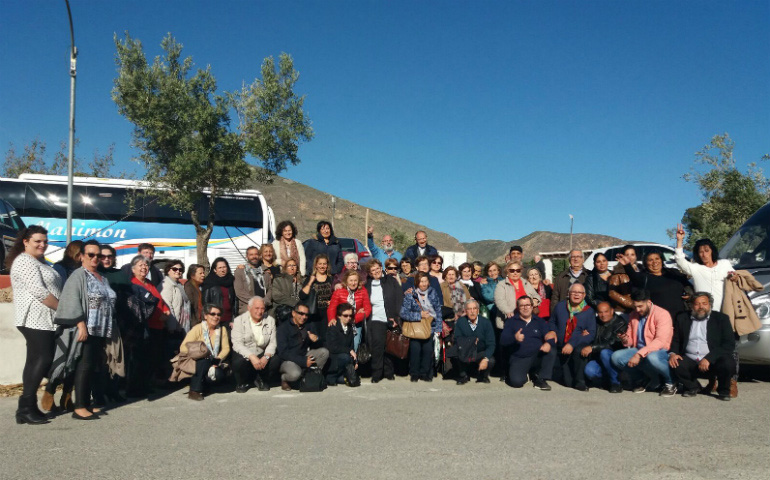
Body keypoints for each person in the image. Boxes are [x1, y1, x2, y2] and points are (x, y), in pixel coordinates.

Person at [53, 240, 117, 420]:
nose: (95, 258)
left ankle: (86, 403)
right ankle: (79, 406)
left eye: (99, 255)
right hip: (86, 329)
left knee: (92, 366)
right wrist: (80, 325)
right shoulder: (78, 275)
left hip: (100, 329)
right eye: (91, 254)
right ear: (81, 256)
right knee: (84, 366)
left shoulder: (101, 277)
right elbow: (71, 299)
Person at [7, 225, 62, 425]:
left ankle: (27, 407)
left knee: (34, 361)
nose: (42, 245)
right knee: (43, 358)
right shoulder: (24, 261)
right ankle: (26, 407)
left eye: (45, 241)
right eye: (37, 241)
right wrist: (63, 310)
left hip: (45, 318)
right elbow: (38, 291)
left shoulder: (39, 261)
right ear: (25, 241)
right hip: (34, 318)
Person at [669, 292, 736, 401]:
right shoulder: (682, 318)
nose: (701, 307)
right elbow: (676, 340)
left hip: (713, 361)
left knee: (728, 363)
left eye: (704, 303)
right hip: (690, 358)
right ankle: (692, 387)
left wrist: (709, 358)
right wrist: (673, 354)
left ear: (710, 305)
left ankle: (724, 391)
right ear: (691, 306)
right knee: (676, 363)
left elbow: (729, 344)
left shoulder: (721, 318)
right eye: (697, 304)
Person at [611, 290, 677, 397]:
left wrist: (638, 355)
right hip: (640, 349)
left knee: (652, 357)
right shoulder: (634, 314)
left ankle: (671, 382)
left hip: (660, 350)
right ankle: (643, 379)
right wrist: (625, 339)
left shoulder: (662, 314)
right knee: (616, 357)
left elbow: (660, 341)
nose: (637, 309)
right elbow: (631, 340)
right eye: (635, 306)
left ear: (648, 302)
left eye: (640, 306)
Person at [129, 255, 171, 387]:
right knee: (142, 358)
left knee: (153, 358)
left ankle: (148, 384)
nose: (144, 267)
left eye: (146, 265)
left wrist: (166, 311)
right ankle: (138, 387)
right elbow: (140, 308)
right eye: (140, 265)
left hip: (158, 326)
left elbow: (159, 301)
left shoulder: (149, 283)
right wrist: (158, 316)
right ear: (133, 269)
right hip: (146, 327)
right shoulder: (133, 284)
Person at [499, 296, 556, 390]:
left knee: (551, 350)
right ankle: (526, 374)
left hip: (536, 355)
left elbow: (550, 335)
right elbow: (503, 340)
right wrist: (514, 338)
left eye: (528, 305)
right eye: (522, 306)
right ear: (518, 307)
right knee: (516, 382)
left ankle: (540, 379)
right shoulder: (511, 322)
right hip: (519, 357)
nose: (525, 308)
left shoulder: (539, 321)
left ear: (532, 306)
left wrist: (548, 343)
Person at [675, 225, 735, 312]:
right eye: (701, 252)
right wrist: (679, 240)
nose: (704, 255)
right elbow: (680, 260)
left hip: (725, 311)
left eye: (707, 251)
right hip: (704, 313)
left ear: (712, 251)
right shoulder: (696, 268)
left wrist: (734, 276)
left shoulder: (724, 264)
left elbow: (735, 278)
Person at [618, 250, 691, 320]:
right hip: (659, 319)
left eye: (657, 258)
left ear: (661, 260)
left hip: (681, 318)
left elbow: (687, 284)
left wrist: (689, 294)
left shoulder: (673, 273)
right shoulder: (644, 278)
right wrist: (627, 265)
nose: (655, 262)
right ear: (646, 263)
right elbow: (633, 276)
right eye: (650, 260)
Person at [549, 283, 596, 391]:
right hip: (562, 346)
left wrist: (571, 344)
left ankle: (581, 381)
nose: (576, 294)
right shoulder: (560, 306)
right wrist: (553, 331)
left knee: (580, 350)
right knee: (568, 383)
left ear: (584, 295)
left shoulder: (589, 311)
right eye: (574, 292)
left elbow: (591, 333)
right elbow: (552, 322)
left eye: (580, 292)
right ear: (568, 293)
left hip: (577, 345)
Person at [179, 304, 231, 400]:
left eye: (219, 314)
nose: (216, 317)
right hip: (197, 361)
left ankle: (205, 385)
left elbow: (226, 348)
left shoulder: (222, 329)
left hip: (214, 360)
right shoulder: (197, 328)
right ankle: (194, 390)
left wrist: (218, 359)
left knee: (218, 375)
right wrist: (199, 352)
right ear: (205, 316)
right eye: (213, 314)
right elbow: (183, 347)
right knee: (204, 361)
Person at [400, 272, 443, 382]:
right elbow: (403, 313)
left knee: (428, 351)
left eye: (425, 281)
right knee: (415, 350)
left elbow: (438, 311)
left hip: (430, 326)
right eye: (421, 281)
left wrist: (439, 328)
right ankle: (414, 373)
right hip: (416, 328)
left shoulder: (433, 293)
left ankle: (425, 373)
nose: (423, 284)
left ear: (428, 282)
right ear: (417, 283)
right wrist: (419, 315)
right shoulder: (410, 295)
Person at [364, 259, 403, 382]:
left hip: (391, 318)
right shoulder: (367, 285)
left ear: (381, 268)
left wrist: (396, 318)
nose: (376, 271)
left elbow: (399, 299)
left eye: (377, 268)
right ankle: (377, 373)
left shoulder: (391, 281)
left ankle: (389, 371)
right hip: (376, 318)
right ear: (370, 273)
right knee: (377, 346)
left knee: (390, 346)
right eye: (373, 270)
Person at [276, 303, 329, 391]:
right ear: (293, 313)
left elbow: (318, 342)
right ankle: (284, 378)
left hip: (304, 355)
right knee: (295, 374)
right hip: (288, 360)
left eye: (306, 315)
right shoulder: (283, 328)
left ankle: (310, 376)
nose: (304, 317)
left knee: (324, 352)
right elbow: (283, 352)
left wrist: (316, 339)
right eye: (301, 313)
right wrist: (303, 361)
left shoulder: (307, 325)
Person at [231, 297, 279, 392]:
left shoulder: (270, 320)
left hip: (261, 352)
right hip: (246, 353)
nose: (260, 311)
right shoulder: (239, 321)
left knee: (276, 360)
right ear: (249, 308)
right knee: (239, 362)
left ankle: (260, 378)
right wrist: (251, 356)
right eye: (256, 308)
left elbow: (273, 342)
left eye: (262, 308)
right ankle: (243, 382)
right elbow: (237, 344)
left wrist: (266, 356)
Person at [579, 302, 628, 393]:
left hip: (614, 357)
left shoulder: (620, 323)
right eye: (600, 312)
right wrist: (586, 333)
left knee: (604, 352)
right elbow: (588, 332)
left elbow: (612, 343)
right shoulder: (595, 321)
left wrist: (593, 347)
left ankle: (616, 383)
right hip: (598, 358)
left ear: (612, 311)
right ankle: (607, 379)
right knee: (590, 371)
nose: (603, 315)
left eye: (606, 311)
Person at [327, 270, 372, 351]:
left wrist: (355, 318)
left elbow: (367, 309)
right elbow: (332, 307)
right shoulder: (339, 291)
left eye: (355, 280)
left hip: (356, 323)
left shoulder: (363, 291)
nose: (353, 283)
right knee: (342, 345)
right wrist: (332, 318)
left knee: (355, 344)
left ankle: (354, 358)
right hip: (342, 322)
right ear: (346, 281)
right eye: (351, 280)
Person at [453, 300, 496, 384]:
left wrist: (485, 358)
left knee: (490, 360)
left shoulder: (486, 323)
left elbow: (491, 344)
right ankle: (464, 375)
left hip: (480, 352)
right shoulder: (461, 322)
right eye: (469, 309)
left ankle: (482, 376)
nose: (472, 311)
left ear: (478, 310)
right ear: (466, 311)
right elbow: (457, 340)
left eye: (474, 308)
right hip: (465, 351)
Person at [494, 261, 540, 330]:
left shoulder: (526, 283)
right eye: (512, 271)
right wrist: (507, 311)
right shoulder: (501, 285)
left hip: (527, 320)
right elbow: (499, 300)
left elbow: (536, 295)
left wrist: (535, 300)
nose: (515, 273)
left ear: (521, 272)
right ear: (507, 271)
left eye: (518, 270)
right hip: (510, 321)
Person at [299, 254, 333, 341]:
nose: (322, 266)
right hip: (314, 313)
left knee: (326, 338)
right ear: (316, 265)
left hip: (327, 313)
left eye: (324, 264)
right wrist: (310, 282)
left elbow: (335, 294)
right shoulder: (310, 278)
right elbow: (302, 295)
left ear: (327, 265)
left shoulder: (331, 279)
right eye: (320, 264)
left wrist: (332, 301)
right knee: (315, 338)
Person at [325, 303, 358, 386]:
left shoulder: (350, 328)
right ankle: (330, 376)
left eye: (350, 315)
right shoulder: (333, 327)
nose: (349, 318)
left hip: (344, 359)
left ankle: (338, 377)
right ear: (339, 316)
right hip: (333, 359)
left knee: (351, 379)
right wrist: (349, 351)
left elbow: (351, 346)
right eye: (345, 315)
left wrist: (355, 361)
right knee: (345, 357)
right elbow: (332, 347)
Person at [550, 249, 589, 314]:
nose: (576, 259)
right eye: (573, 257)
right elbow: (555, 298)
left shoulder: (589, 275)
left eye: (578, 256)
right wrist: (554, 315)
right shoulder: (561, 277)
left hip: (585, 313)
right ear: (569, 259)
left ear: (583, 259)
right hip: (564, 313)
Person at [234, 246, 269, 315]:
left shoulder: (265, 271)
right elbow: (239, 292)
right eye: (251, 255)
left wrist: (264, 301)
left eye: (256, 254)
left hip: (264, 308)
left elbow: (270, 288)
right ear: (247, 256)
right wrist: (256, 303)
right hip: (247, 308)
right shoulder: (240, 272)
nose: (254, 257)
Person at [202, 257, 236, 326]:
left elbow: (234, 302)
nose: (222, 270)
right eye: (220, 268)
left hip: (229, 320)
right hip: (215, 319)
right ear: (215, 270)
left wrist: (234, 318)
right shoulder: (209, 282)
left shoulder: (231, 281)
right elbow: (206, 303)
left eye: (224, 267)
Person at [160, 260, 191, 334]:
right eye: (174, 269)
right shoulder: (166, 285)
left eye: (180, 270)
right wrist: (172, 326)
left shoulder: (178, 284)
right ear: (168, 271)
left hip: (180, 325)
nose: (178, 271)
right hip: (172, 328)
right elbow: (167, 306)